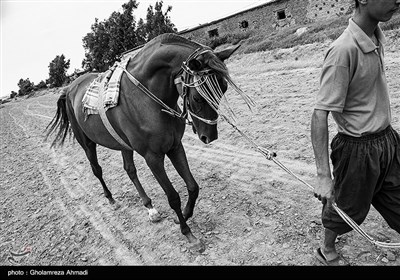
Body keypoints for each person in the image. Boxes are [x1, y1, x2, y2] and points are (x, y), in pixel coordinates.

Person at [311, 0, 400, 266]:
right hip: (357, 150)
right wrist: (323, 176)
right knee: (345, 208)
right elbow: (319, 114)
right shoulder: (343, 50)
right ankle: (326, 250)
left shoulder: (374, 36)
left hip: (388, 141)